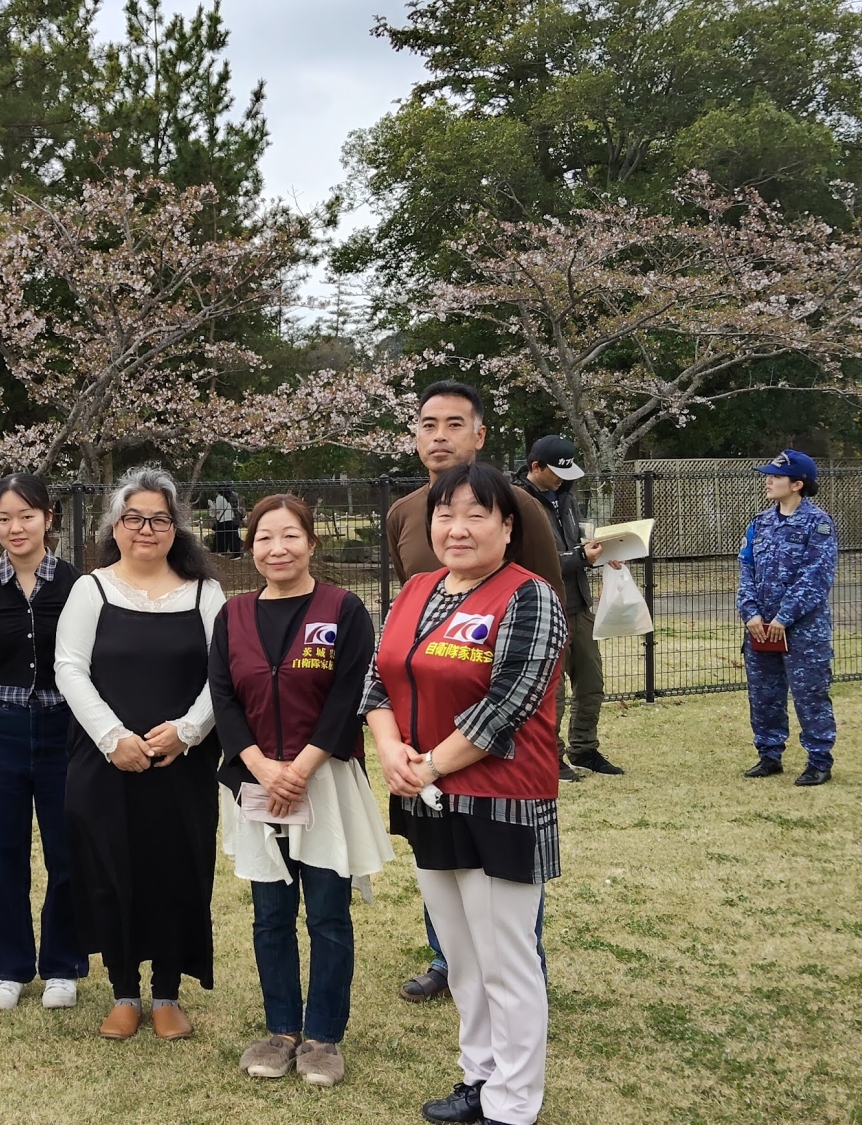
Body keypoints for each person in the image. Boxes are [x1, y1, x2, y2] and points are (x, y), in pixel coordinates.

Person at [363, 462, 567, 1125]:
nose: (458, 528)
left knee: (506, 958)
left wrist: (426, 766)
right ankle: (480, 1075)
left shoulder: (530, 596)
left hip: (501, 800)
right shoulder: (415, 590)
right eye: (446, 514)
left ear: (507, 527)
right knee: (463, 957)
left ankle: (514, 1101)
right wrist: (391, 750)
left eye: (477, 514)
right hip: (428, 800)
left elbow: (505, 706)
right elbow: (377, 681)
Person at [383, 380, 565, 1007]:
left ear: (480, 434)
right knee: (441, 862)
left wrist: (537, 706)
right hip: (424, 719)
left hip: (499, 715)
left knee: (503, 890)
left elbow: (542, 608)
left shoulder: (519, 507)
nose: (440, 436)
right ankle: (447, 958)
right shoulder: (405, 512)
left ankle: (518, 970)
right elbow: (400, 637)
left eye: (454, 424)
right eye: (428, 424)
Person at [210, 494, 390, 1088]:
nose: (277, 548)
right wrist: (262, 767)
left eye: (290, 536)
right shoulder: (233, 615)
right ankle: (281, 1030)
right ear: (250, 547)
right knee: (270, 914)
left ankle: (323, 1036)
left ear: (311, 543)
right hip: (256, 780)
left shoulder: (343, 608)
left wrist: (301, 768)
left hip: (325, 779)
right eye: (264, 537)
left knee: (328, 913)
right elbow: (223, 698)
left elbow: (349, 694)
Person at [56, 465, 226, 1042]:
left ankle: (168, 994)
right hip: (107, 764)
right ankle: (124, 991)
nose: (146, 530)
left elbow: (223, 675)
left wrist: (188, 730)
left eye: (159, 519)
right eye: (134, 518)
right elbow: (69, 669)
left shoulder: (205, 594)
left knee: (177, 870)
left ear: (176, 528)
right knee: (111, 871)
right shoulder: (92, 589)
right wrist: (113, 738)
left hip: (182, 765)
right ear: (115, 527)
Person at [0, 473, 87, 1012]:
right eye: (4, 518)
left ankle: (62, 966)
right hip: (1, 732)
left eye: (27, 516)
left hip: (64, 733)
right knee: (1, 853)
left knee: (67, 853)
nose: (16, 527)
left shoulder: (78, 586)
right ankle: (8, 968)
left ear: (48, 518)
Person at [514, 435, 625, 776]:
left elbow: (574, 544)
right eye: (557, 472)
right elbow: (529, 561)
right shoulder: (516, 503)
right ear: (536, 467)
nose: (563, 479)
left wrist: (601, 552)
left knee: (591, 683)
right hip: (543, 608)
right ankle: (550, 755)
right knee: (552, 691)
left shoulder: (566, 498)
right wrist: (580, 557)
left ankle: (585, 748)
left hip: (578, 605)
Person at [738, 450, 838, 787]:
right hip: (760, 628)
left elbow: (816, 577)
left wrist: (784, 617)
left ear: (798, 484)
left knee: (810, 694)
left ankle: (819, 760)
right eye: (768, 475)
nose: (768, 481)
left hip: (802, 631)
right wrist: (750, 612)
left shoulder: (818, 524)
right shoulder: (760, 522)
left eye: (776, 477)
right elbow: (746, 569)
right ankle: (769, 754)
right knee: (764, 694)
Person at [209, 487, 242, 555]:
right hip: (231, 519)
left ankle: (222, 551)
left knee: (222, 536)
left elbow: (217, 510)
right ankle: (231, 551)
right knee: (229, 536)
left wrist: (211, 504)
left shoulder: (219, 498)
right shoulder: (230, 498)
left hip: (223, 520)